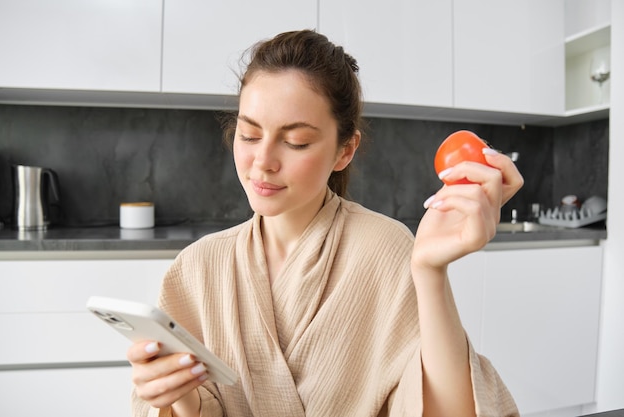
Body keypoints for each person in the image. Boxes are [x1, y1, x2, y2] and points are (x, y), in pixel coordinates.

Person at [128, 30, 523, 417]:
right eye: (248, 135)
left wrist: (430, 269)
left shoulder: (386, 249)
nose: (263, 161)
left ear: (344, 150)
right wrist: (177, 397)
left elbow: (448, 411)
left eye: (296, 141)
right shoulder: (196, 267)